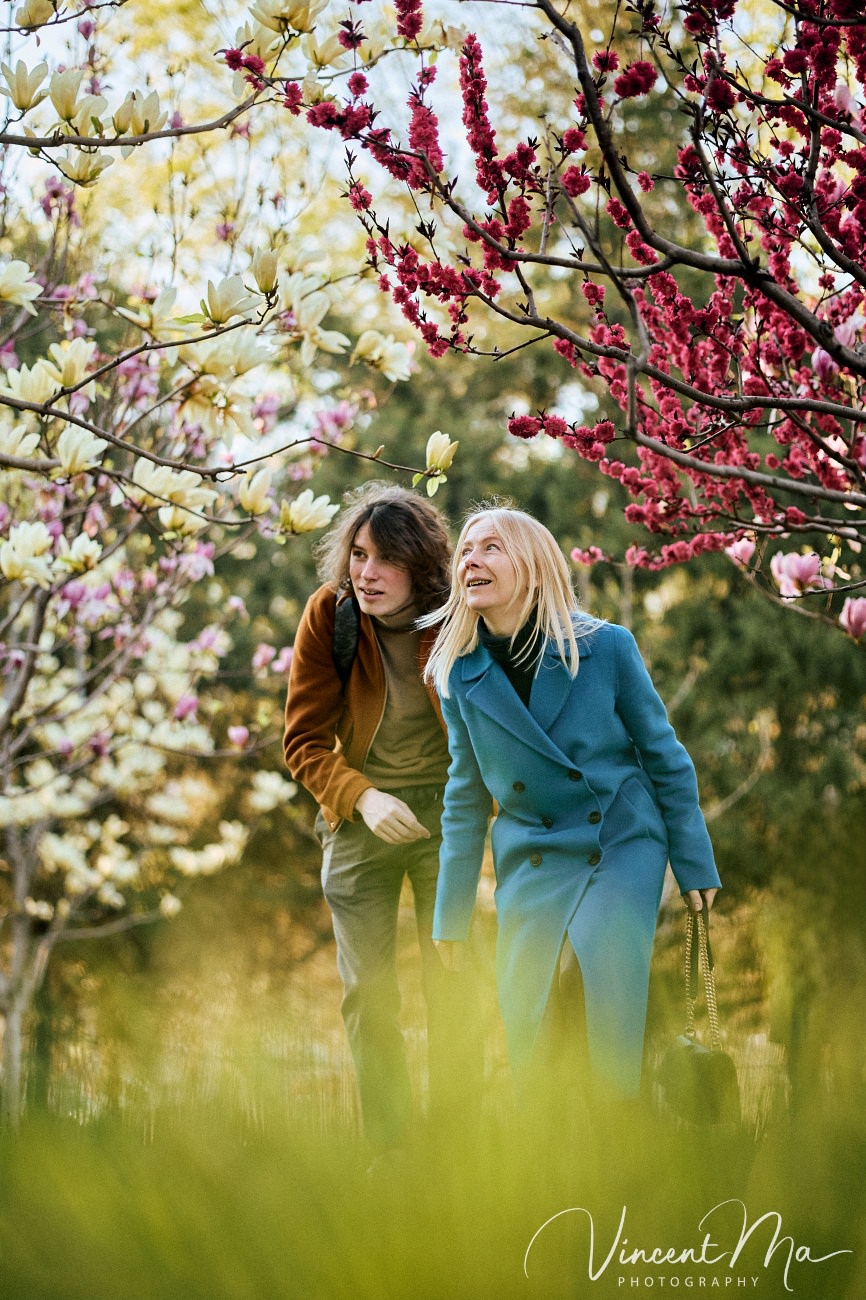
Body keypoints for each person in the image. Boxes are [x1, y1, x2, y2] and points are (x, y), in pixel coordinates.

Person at [424, 505, 721, 1104]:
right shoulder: (458, 672)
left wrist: (694, 864)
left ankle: (622, 1132)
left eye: (490, 548)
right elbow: (464, 798)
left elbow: (664, 755)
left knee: (598, 983)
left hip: (618, 841)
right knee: (531, 1014)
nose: (469, 560)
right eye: (464, 551)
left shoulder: (606, 647)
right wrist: (450, 914)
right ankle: (557, 1161)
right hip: (533, 852)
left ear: (532, 567)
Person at [283, 481, 477, 1158]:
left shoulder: (460, 618)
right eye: (359, 554)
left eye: (386, 558)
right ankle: (390, 1155)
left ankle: (455, 1153)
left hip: (448, 821)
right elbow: (302, 742)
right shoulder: (331, 616)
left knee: (455, 985)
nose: (367, 572)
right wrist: (363, 797)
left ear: (421, 566)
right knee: (369, 994)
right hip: (361, 817)